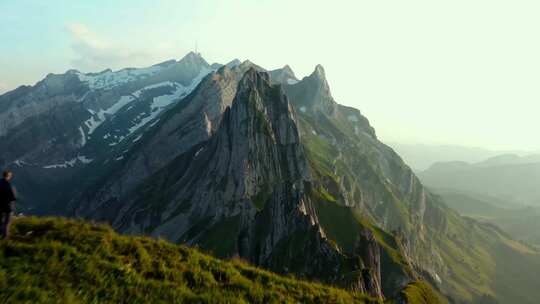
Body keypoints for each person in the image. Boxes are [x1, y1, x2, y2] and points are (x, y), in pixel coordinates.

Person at [0, 170, 16, 239]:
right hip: (8, 207)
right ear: (8, 176)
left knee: (1, 222)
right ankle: (5, 239)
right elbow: (12, 197)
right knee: (7, 223)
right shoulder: (8, 185)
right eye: (10, 175)